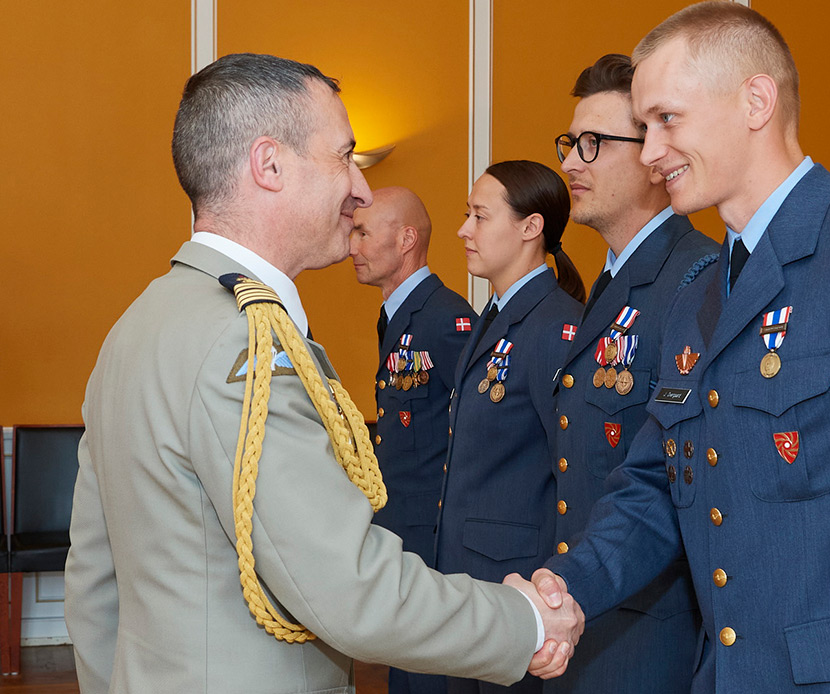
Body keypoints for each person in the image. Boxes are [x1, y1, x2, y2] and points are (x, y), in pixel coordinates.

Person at [534, 4, 830, 693]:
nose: (649, 153)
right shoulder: (703, 290)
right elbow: (653, 485)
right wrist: (566, 588)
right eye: (643, 130)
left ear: (755, 101)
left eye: (666, 121)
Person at [64, 53, 581, 694]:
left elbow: (93, 580)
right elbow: (348, 589)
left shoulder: (138, 325)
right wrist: (525, 623)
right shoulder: (242, 341)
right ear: (269, 165)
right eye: (344, 157)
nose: (360, 189)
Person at [546, 53, 716, 694]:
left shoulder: (695, 277)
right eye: (569, 143)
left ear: (654, 155)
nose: (570, 163)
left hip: (649, 625)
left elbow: (677, 477)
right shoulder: (616, 280)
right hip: (594, 601)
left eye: (594, 144)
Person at [434, 160, 585, 694]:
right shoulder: (495, 318)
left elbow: (570, 470)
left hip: (517, 586)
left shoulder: (555, 325)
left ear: (530, 227)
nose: (464, 230)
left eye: (479, 215)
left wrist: (556, 589)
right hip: (471, 581)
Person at [350, 186, 476, 694]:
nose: (352, 245)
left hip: (433, 541)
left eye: (363, 232)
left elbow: (470, 431)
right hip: (404, 534)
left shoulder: (446, 318)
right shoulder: (400, 315)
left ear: (406, 240)